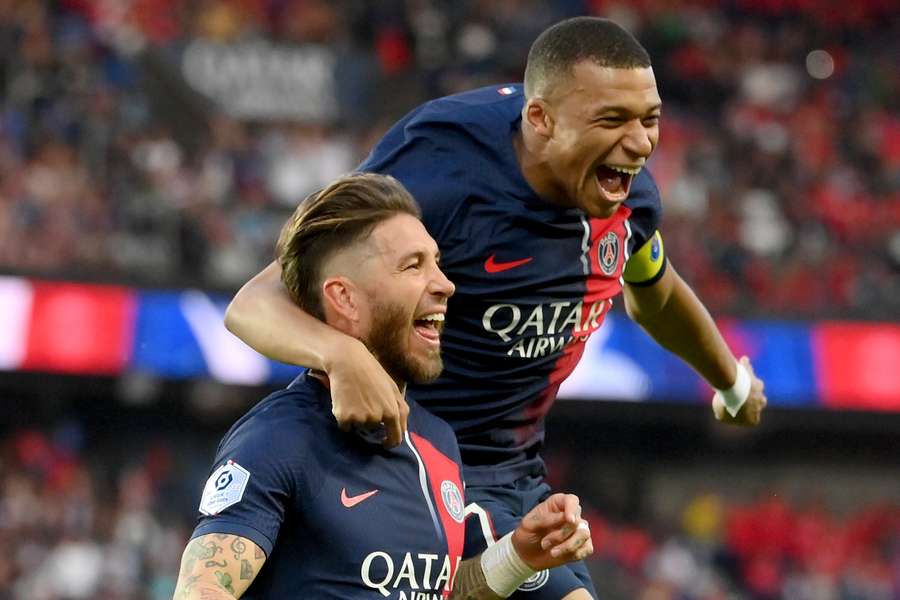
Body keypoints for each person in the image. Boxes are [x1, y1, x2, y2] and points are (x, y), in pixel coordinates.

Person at [224, 17, 768, 599]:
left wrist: (730, 382)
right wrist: (340, 356)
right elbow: (257, 301)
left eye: (649, 119)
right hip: (409, 460)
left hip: (517, 475)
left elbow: (654, 294)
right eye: (611, 120)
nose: (639, 143)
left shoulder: (626, 197)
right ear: (541, 119)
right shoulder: (442, 164)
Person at [173, 173, 593, 600]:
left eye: (437, 263)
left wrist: (519, 555)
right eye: (413, 265)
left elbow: (432, 592)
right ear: (345, 299)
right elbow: (204, 589)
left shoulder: (438, 441)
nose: (445, 284)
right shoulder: (280, 437)